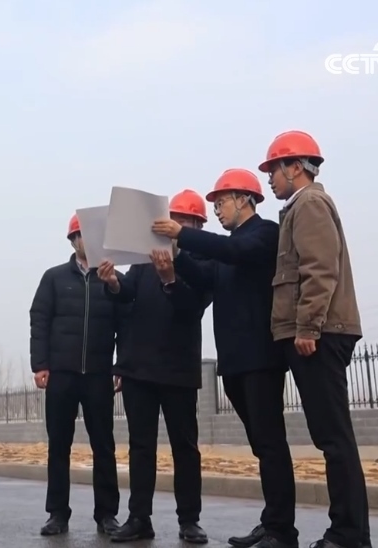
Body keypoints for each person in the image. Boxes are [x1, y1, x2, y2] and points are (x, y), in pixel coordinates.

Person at [152, 169, 297, 548]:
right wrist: (176, 258)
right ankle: (272, 522)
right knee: (261, 446)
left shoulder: (264, 234)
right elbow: (205, 276)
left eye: (221, 202)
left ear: (245, 199)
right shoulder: (226, 249)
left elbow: (233, 252)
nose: (216, 210)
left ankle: (282, 531)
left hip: (261, 360)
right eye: (214, 204)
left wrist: (182, 234)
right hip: (233, 363)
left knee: (271, 445)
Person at [258, 130, 370, 548]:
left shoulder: (309, 205)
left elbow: (320, 269)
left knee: (334, 439)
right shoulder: (298, 208)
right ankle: (349, 533)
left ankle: (348, 535)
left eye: (274, 169)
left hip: (320, 334)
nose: (270, 178)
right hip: (317, 332)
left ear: (295, 168)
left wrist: (308, 327)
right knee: (331, 437)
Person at [97, 189, 212, 544]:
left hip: (178, 369)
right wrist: (113, 281)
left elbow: (192, 308)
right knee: (141, 447)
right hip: (139, 369)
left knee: (185, 447)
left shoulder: (203, 261)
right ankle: (139, 518)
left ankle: (189, 520)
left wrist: (170, 279)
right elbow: (127, 292)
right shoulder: (145, 256)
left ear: (197, 226)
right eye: (173, 219)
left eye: (185, 221)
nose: (176, 225)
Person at [29, 213, 123, 537]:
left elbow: (126, 325)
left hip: (99, 374)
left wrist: (121, 366)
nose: (89, 240)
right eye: (82, 234)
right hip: (62, 374)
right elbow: (39, 319)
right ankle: (57, 513)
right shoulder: (54, 278)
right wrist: (40, 364)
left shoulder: (113, 280)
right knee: (59, 446)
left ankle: (107, 514)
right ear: (73, 240)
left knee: (104, 446)